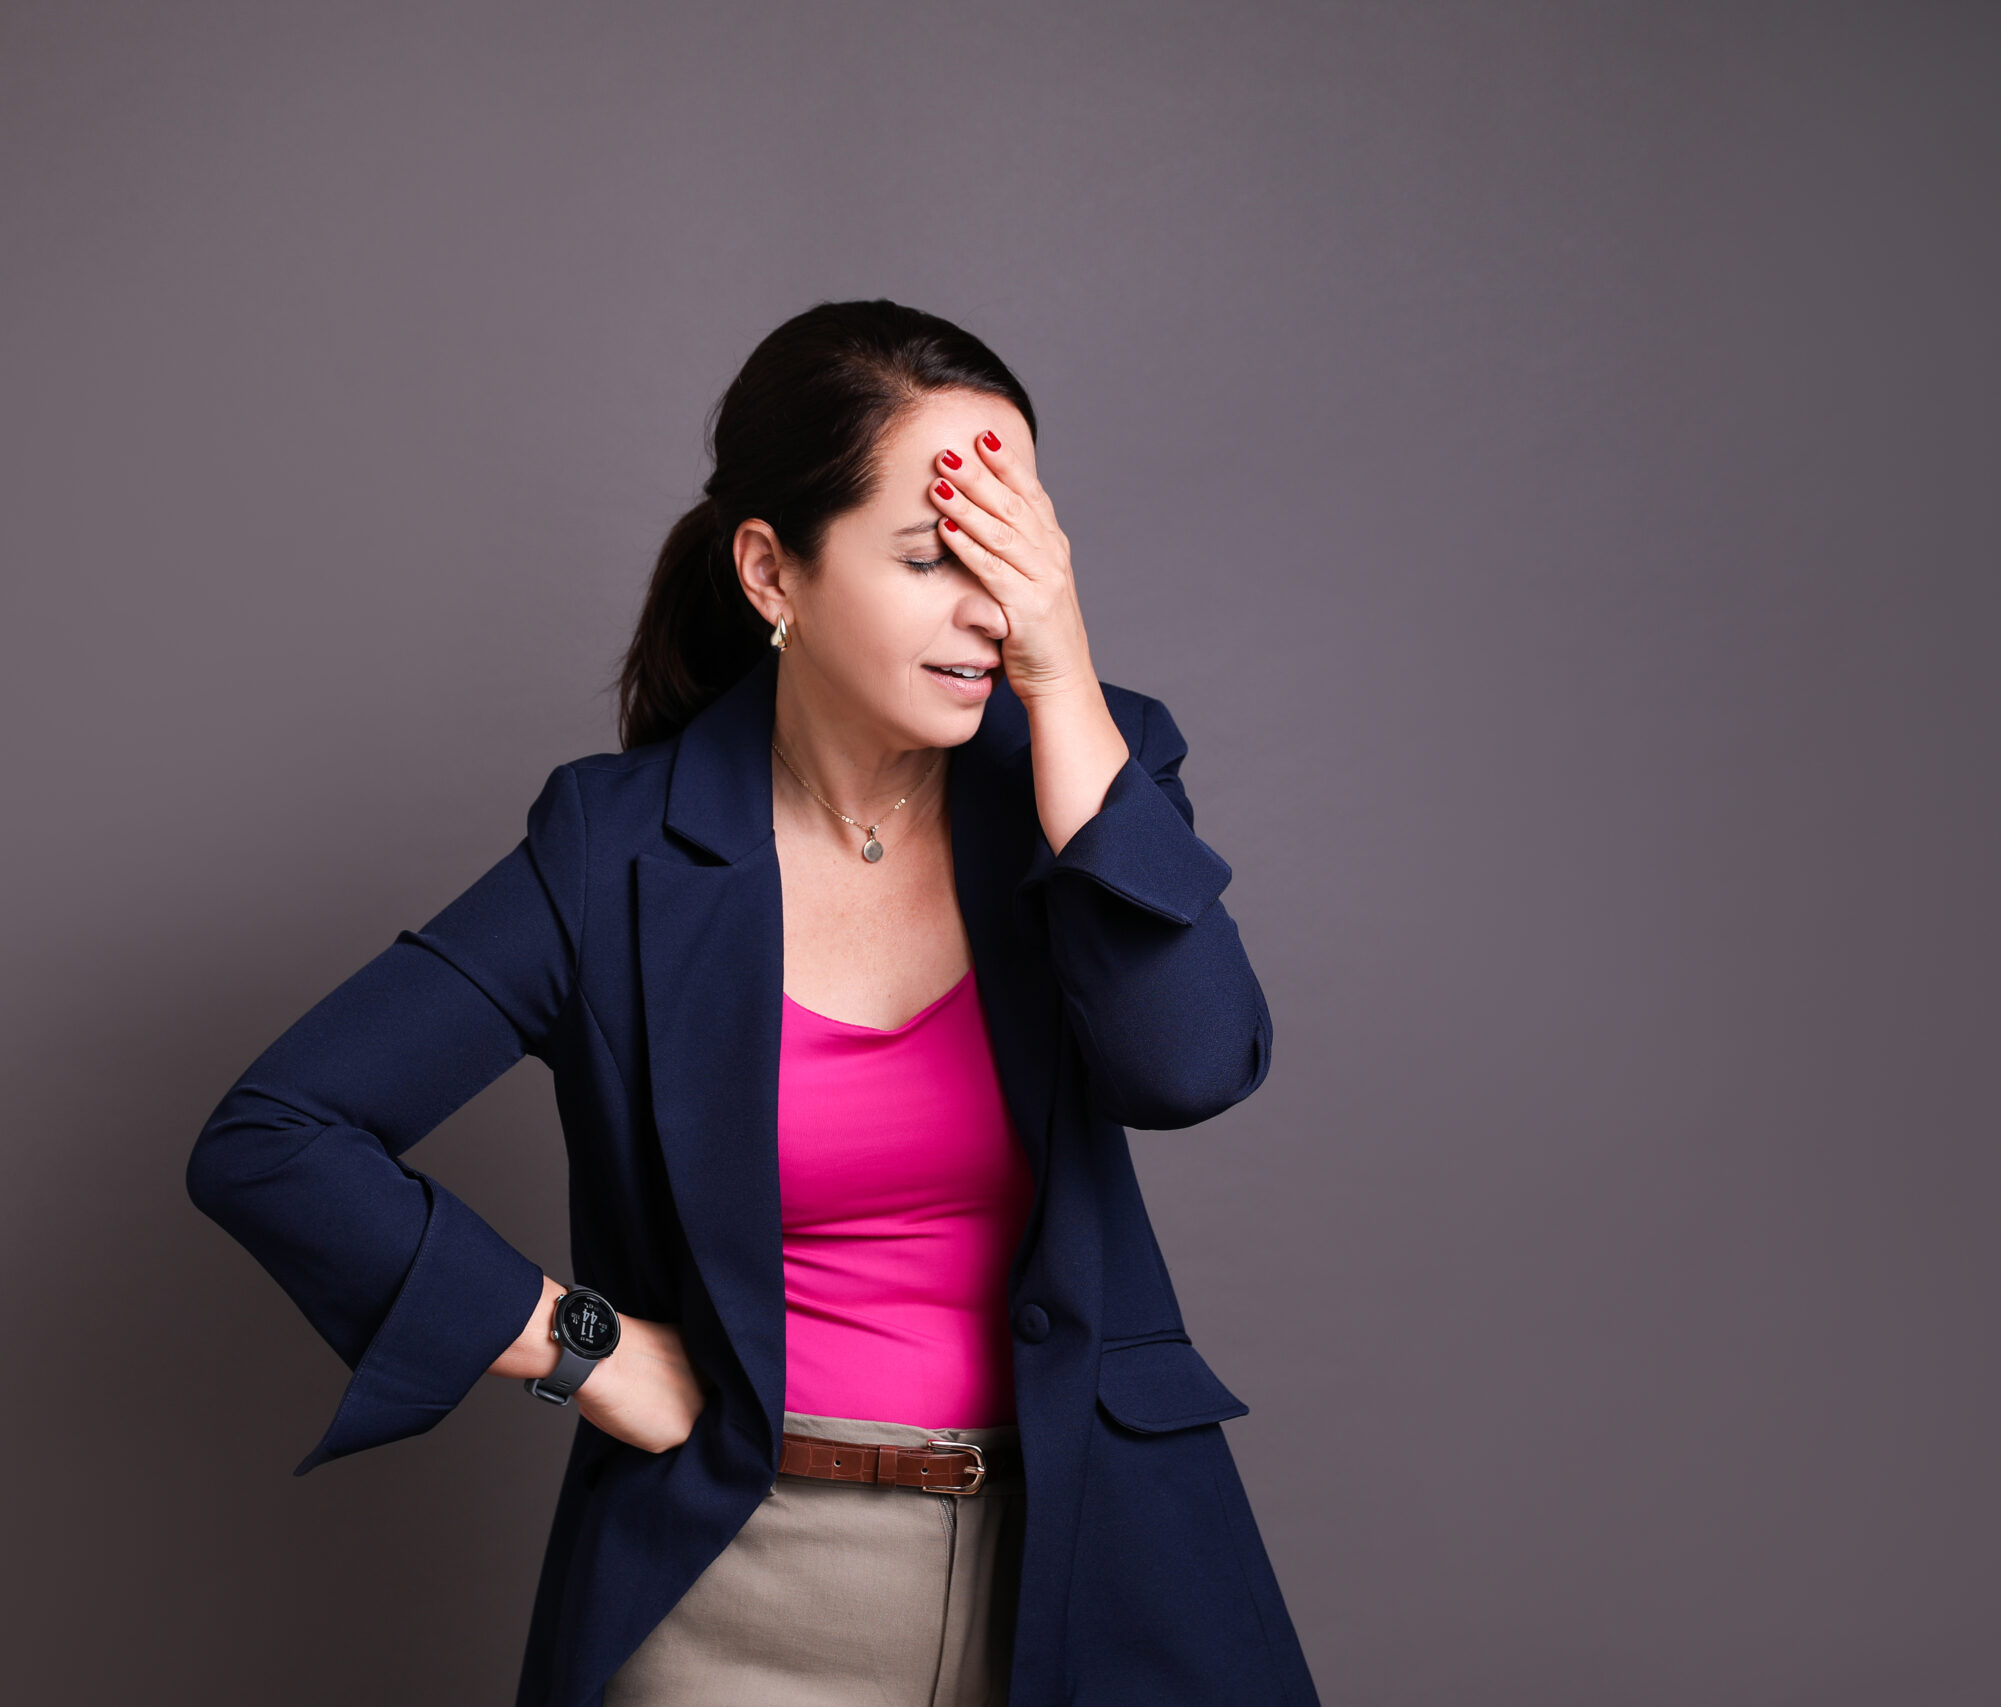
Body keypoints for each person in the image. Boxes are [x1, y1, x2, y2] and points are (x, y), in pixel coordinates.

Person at [187, 298, 1320, 1707]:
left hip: (1097, 1575)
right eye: (931, 557)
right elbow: (276, 1135)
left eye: (1016, 554)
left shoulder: (1088, 771)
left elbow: (1189, 1064)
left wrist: (1063, 678)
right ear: (773, 571)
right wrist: (582, 1351)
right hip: (742, 1597)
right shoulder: (616, 850)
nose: (988, 608)